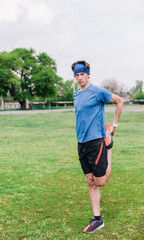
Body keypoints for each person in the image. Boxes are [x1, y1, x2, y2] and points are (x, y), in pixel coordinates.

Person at [72, 60, 123, 233]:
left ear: (88, 74)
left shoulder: (97, 92)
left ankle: (109, 148)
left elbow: (119, 101)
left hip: (96, 142)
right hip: (81, 143)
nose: (80, 78)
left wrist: (113, 127)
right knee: (90, 181)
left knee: (101, 182)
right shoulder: (76, 95)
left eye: (82, 74)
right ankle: (97, 219)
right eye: (77, 75)